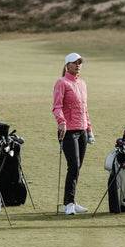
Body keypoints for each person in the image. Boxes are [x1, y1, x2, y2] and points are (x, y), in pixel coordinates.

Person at [52, 52, 95, 215]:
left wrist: (89, 130)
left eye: (80, 63)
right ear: (67, 65)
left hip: (82, 129)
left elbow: (84, 109)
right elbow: (56, 106)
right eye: (74, 63)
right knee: (74, 166)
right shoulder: (61, 83)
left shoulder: (82, 84)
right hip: (68, 131)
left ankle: (72, 201)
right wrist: (61, 122)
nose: (78, 65)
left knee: (77, 168)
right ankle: (67, 204)